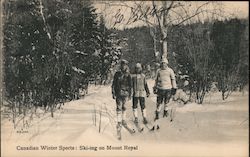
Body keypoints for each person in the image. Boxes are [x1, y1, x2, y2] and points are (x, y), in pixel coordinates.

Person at [152, 57, 177, 129]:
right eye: (162, 63)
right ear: (161, 64)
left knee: (167, 102)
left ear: (167, 64)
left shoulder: (170, 71)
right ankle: (157, 113)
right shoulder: (158, 71)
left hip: (168, 89)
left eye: (165, 63)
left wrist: (174, 87)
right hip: (160, 89)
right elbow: (156, 80)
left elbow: (173, 79)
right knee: (159, 102)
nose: (163, 65)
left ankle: (165, 112)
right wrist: (155, 87)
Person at [112, 59, 132, 137]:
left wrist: (130, 94)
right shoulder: (117, 74)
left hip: (125, 93)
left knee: (124, 107)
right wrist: (113, 92)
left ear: (126, 66)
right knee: (119, 107)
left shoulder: (128, 74)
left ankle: (123, 120)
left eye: (125, 65)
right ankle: (119, 121)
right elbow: (113, 84)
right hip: (118, 93)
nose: (123, 66)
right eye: (122, 65)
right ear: (121, 66)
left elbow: (130, 85)